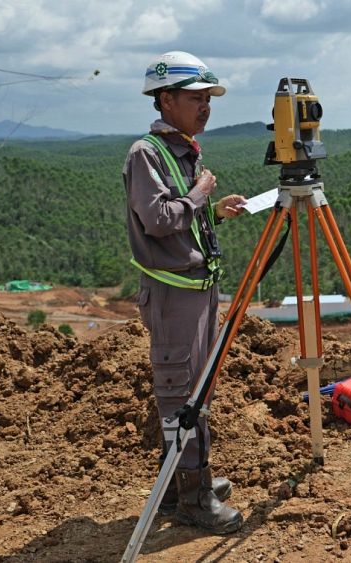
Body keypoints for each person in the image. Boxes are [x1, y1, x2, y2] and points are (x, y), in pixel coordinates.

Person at [124, 51, 246, 534]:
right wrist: (200, 195)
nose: (205, 107)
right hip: (174, 296)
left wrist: (214, 213)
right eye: (196, 98)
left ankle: (184, 484)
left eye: (208, 99)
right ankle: (191, 500)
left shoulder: (183, 151)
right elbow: (156, 221)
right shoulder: (146, 154)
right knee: (180, 395)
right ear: (166, 99)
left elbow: (179, 225)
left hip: (197, 291)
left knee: (197, 392)